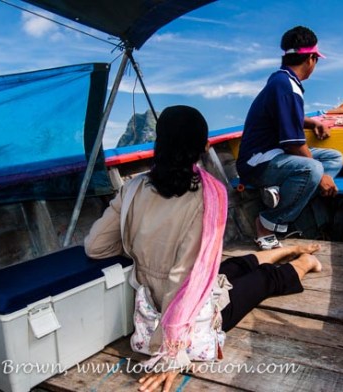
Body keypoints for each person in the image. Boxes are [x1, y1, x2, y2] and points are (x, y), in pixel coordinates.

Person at [84, 105, 323, 392]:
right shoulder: (209, 197)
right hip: (186, 306)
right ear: (204, 147)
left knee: (229, 270)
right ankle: (302, 261)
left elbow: (96, 247)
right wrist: (172, 354)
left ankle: (284, 252)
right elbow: (182, 281)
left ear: (159, 145)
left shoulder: (132, 188)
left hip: (161, 290)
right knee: (262, 281)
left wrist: (142, 246)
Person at [236, 26, 343, 250]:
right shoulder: (286, 87)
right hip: (258, 163)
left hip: (276, 157)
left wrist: (312, 122)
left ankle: (283, 193)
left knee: (334, 158)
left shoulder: (282, 81)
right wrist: (321, 175)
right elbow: (294, 144)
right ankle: (268, 222)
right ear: (312, 59)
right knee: (314, 169)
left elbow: (286, 117)